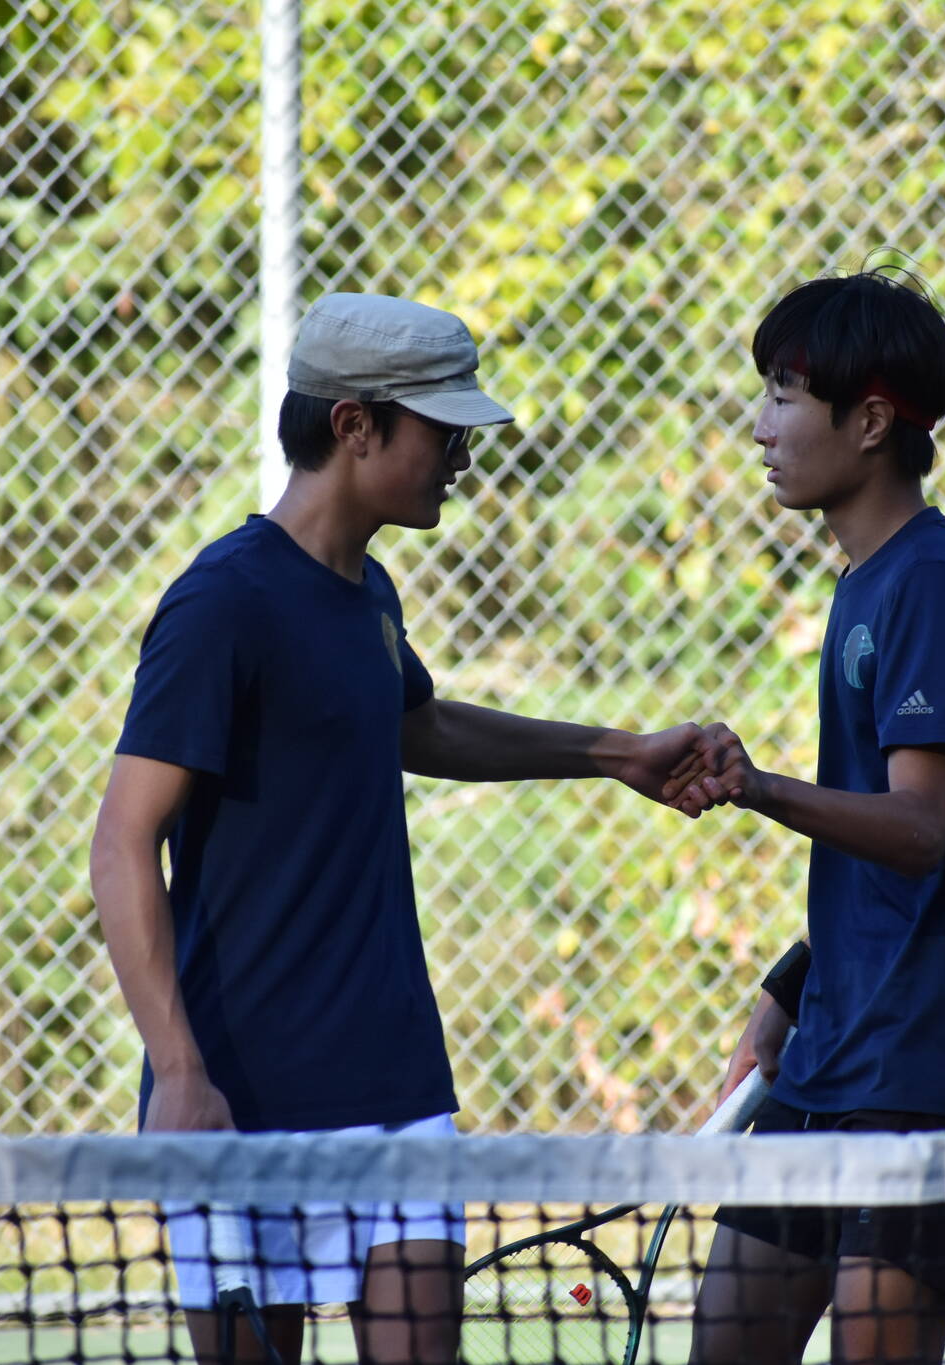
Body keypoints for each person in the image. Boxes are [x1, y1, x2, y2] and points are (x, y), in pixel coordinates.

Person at [89, 293, 713, 1365]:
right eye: (439, 425)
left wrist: (617, 754)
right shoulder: (222, 601)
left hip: (393, 1081)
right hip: (240, 1097)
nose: (461, 451)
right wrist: (180, 1072)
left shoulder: (368, 593)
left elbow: (413, 723)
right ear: (354, 425)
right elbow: (120, 840)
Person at [669, 268, 945, 1365]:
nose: (758, 427)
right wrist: (791, 987)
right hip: (830, 1061)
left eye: (784, 396)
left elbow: (920, 830)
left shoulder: (933, 586)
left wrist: (754, 785)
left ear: (870, 421)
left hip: (927, 1082)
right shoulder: (861, 586)